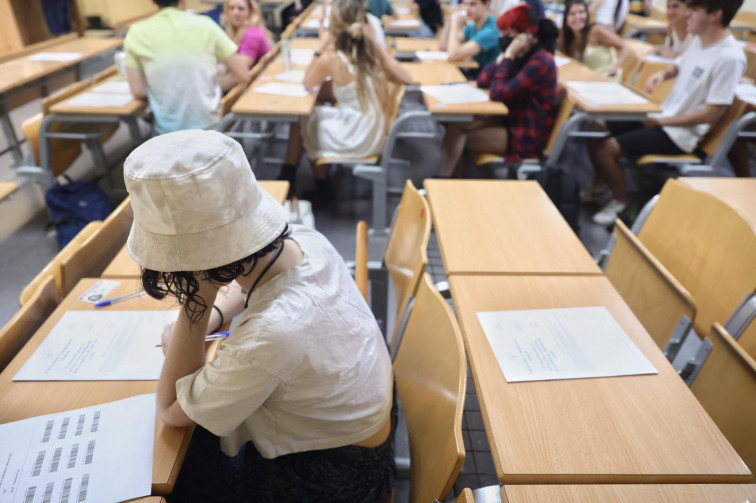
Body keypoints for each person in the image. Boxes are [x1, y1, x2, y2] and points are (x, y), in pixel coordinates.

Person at [123, 129, 395, 502]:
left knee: (182, 465)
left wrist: (197, 305)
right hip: (364, 437)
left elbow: (170, 409)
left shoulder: (271, 336)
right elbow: (248, 280)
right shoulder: (307, 241)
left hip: (337, 478)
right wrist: (217, 312)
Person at [586, 0, 746, 225]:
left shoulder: (730, 57)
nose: (687, 14)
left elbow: (712, 114)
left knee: (608, 149)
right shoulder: (701, 41)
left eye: (695, 9)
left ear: (715, 15)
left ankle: (620, 201)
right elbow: (680, 64)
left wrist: (663, 121)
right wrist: (663, 74)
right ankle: (603, 183)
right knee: (596, 123)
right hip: (664, 118)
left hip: (680, 134)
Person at [278, 0, 413, 199]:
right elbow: (407, 79)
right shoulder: (369, 51)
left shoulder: (331, 57)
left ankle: (313, 183)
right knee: (313, 112)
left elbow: (307, 83)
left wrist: (319, 49)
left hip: (357, 134)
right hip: (373, 128)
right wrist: (378, 50)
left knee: (305, 118)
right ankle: (304, 178)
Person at [439, 5, 559, 177]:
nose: (501, 38)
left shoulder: (540, 62)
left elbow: (497, 93)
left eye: (508, 35)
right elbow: (482, 81)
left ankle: (446, 183)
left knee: (458, 138)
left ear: (526, 37)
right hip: (509, 119)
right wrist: (502, 58)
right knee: (456, 125)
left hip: (525, 136)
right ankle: (447, 183)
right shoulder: (521, 56)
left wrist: (509, 55)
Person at [124, 0, 250, 134]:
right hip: (210, 128)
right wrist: (205, 84)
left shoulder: (136, 33)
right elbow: (243, 74)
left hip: (168, 133)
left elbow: (138, 91)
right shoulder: (205, 24)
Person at [560, 0, 631, 80]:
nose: (578, 17)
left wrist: (616, 67)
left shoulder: (596, 30)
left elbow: (625, 47)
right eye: (572, 14)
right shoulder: (567, 36)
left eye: (581, 12)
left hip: (605, 77)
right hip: (585, 77)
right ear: (566, 19)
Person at [439, 0, 501, 77]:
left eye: (473, 4)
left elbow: (453, 55)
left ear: (487, 4)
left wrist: (455, 26)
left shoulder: (492, 30)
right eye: (465, 4)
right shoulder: (473, 26)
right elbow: (443, 47)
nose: (467, 9)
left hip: (484, 81)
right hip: (473, 75)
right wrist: (449, 24)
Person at [222, 0, 272, 69]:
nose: (235, 12)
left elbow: (241, 67)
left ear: (250, 11)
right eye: (231, 8)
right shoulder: (231, 32)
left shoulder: (252, 33)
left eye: (241, 8)